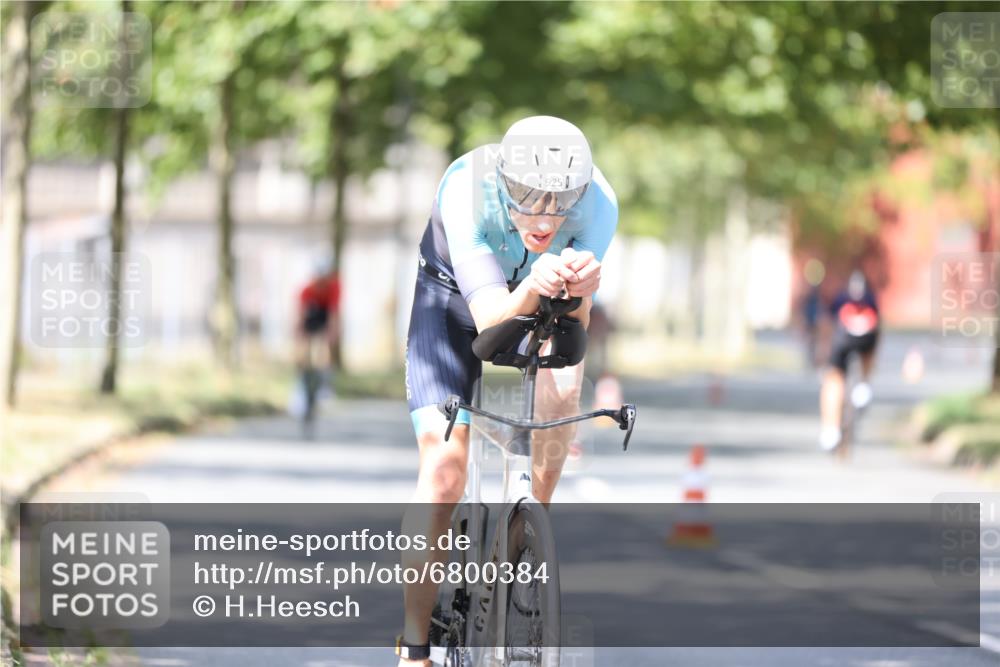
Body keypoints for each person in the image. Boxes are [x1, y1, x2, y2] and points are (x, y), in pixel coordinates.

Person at [396, 116, 618, 665]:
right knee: (445, 471)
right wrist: (532, 286)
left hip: (541, 294)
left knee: (564, 394)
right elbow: (491, 317)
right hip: (452, 301)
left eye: (560, 200)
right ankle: (415, 644)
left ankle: (525, 534)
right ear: (502, 182)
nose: (544, 218)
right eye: (526, 198)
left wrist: (581, 293)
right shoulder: (466, 189)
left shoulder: (599, 204)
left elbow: (577, 329)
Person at [818, 269, 880, 452]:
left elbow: (826, 325)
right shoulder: (871, 298)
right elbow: (878, 332)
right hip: (867, 339)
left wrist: (822, 352)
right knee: (867, 352)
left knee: (833, 379)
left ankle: (830, 429)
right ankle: (863, 386)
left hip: (842, 340)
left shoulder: (839, 298)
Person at [292, 258, 341, 427]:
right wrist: (299, 336)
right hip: (310, 319)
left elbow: (334, 314)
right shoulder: (307, 291)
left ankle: (324, 384)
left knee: (323, 350)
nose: (322, 283)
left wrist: (332, 333)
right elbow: (301, 318)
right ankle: (301, 385)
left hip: (324, 317)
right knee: (302, 354)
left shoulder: (334, 287)